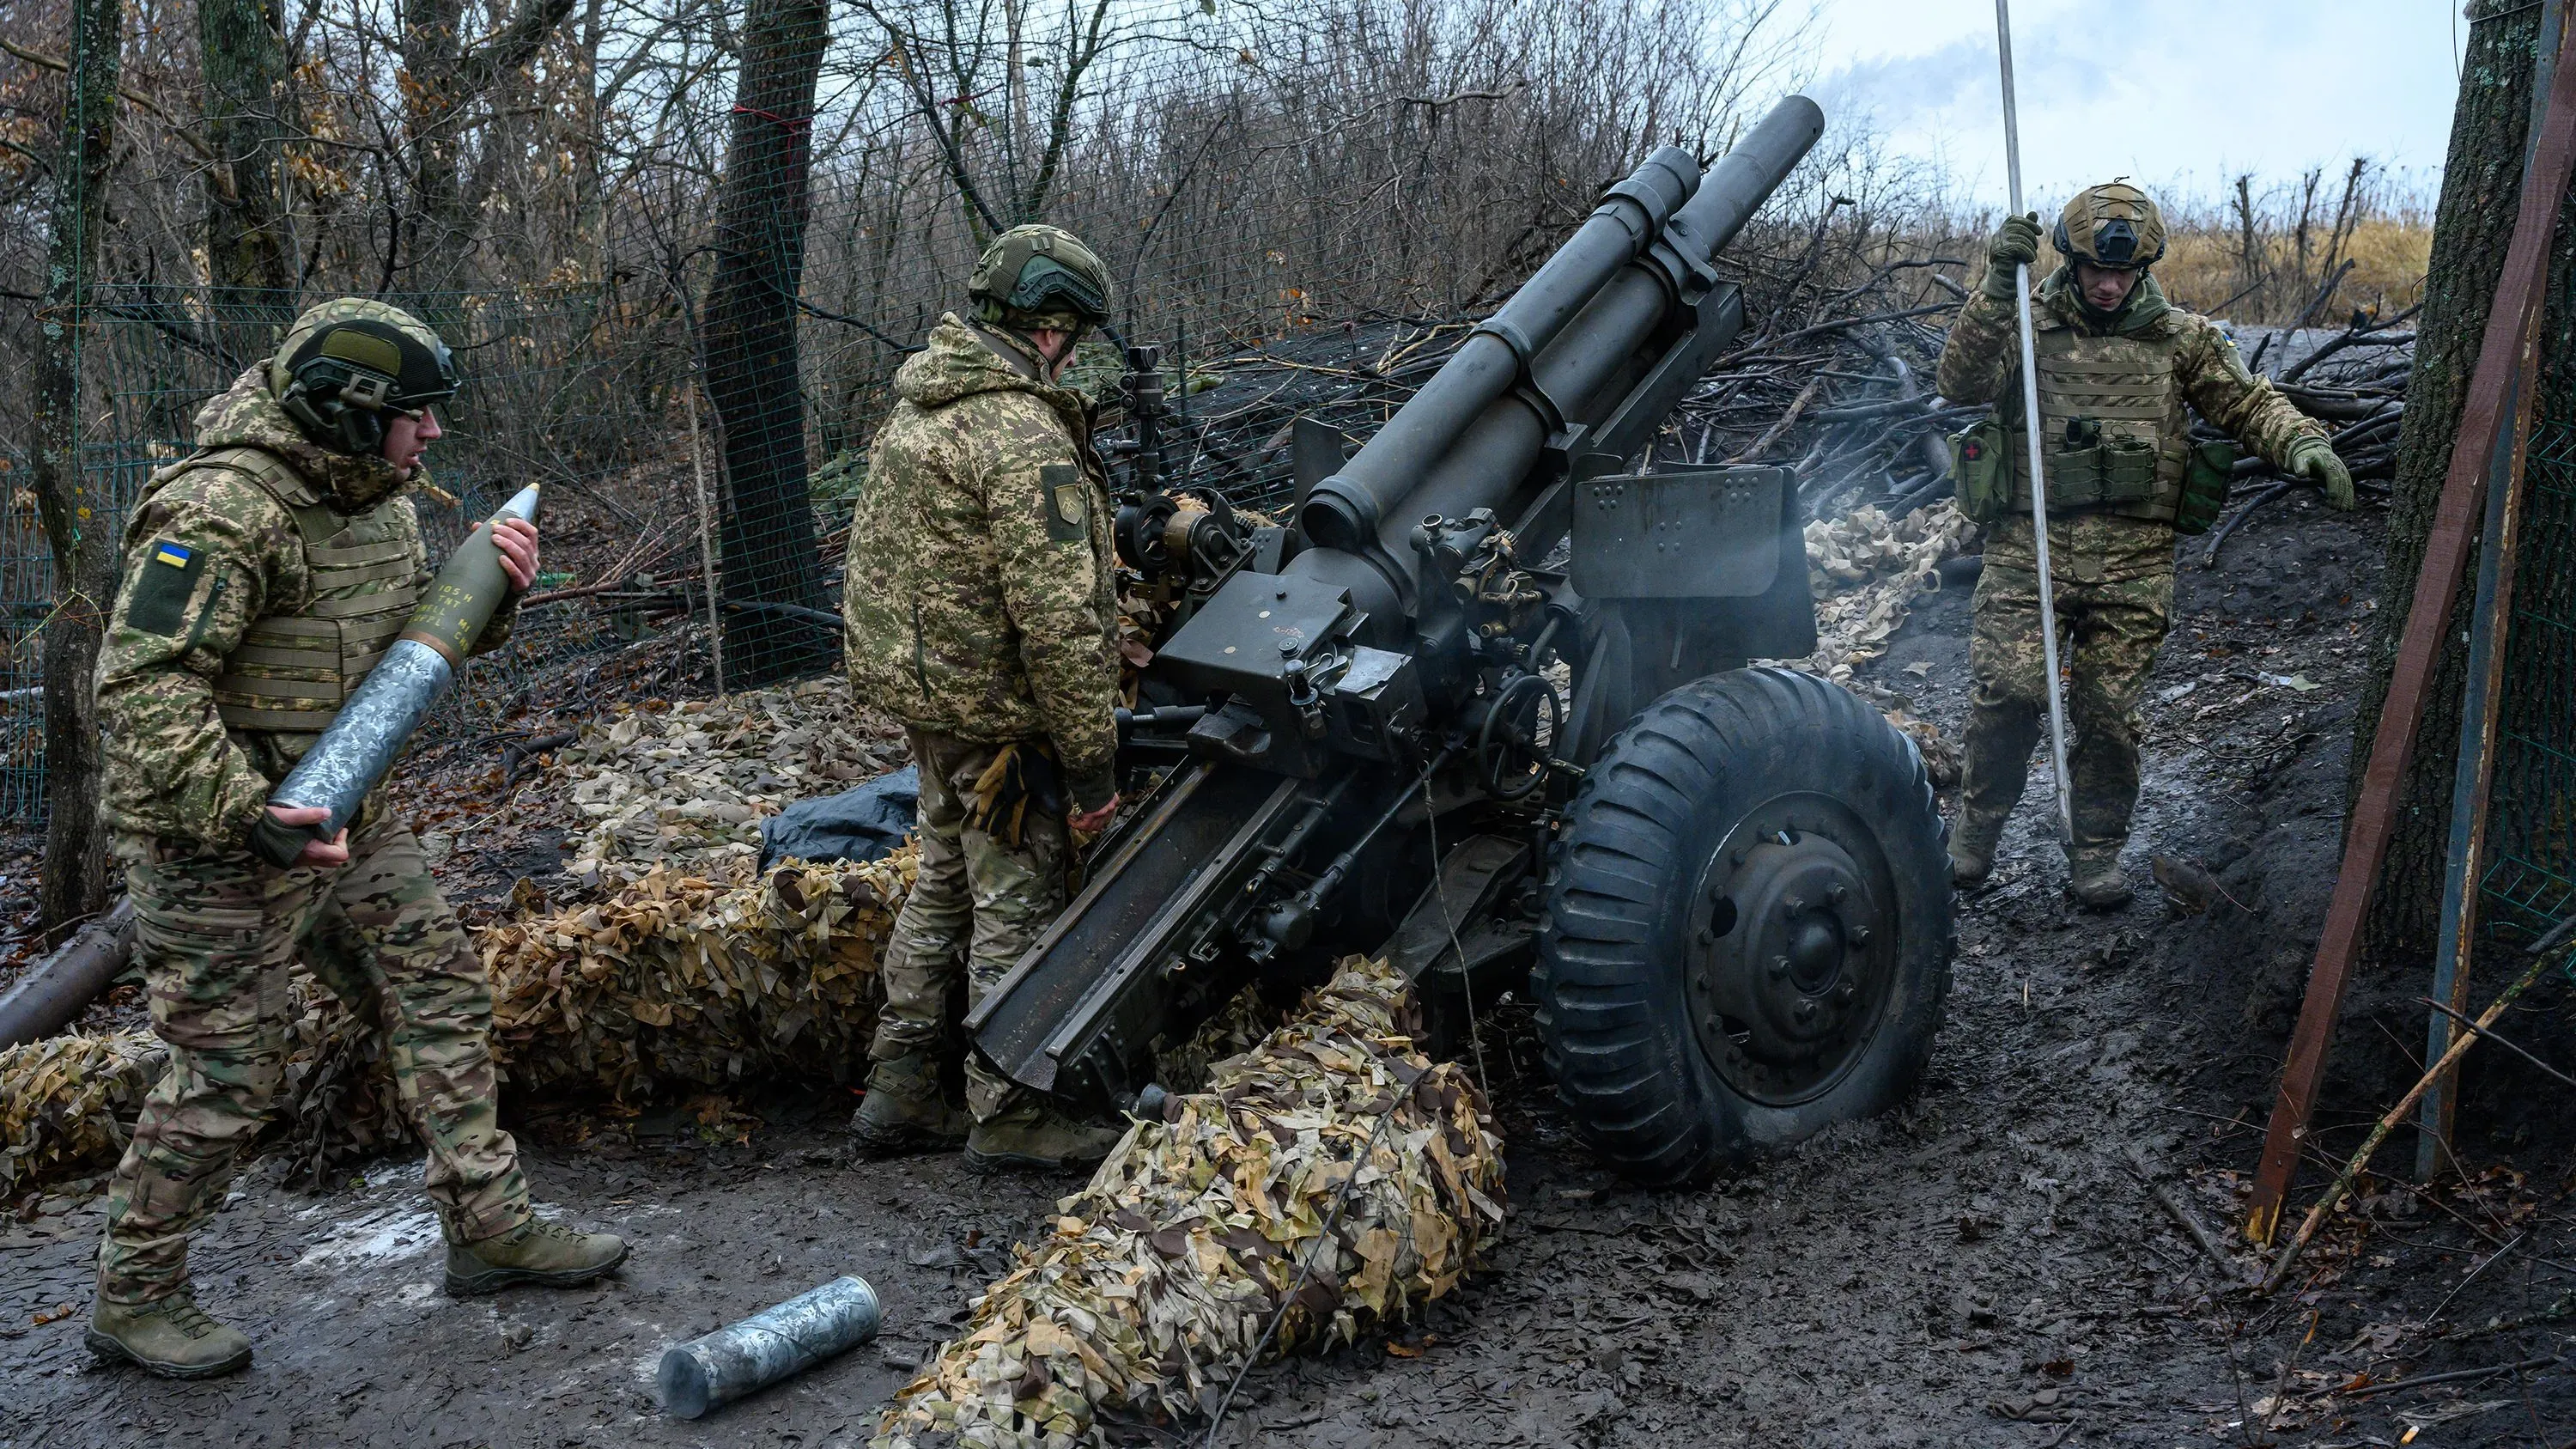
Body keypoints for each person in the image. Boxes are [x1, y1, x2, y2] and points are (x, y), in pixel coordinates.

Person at [86, 299, 627, 1379]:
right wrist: (247, 813)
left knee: (437, 990)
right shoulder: (223, 508)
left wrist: (495, 597)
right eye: (414, 417)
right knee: (232, 1072)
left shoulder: (377, 498)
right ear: (347, 410)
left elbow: (401, 651)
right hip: (217, 843)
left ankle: (490, 1228)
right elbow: (140, 690)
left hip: (347, 811)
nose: (431, 438)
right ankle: (132, 1294)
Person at [1937, 183, 2353, 908]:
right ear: (2069, 259)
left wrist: (2305, 445)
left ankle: (2096, 851)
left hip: (2133, 556)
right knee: (2011, 691)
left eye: (2122, 272)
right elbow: (1960, 379)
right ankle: (1975, 829)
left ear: (2145, 269)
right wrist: (1996, 288)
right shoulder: (2028, 326)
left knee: (2107, 712)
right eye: (2095, 268)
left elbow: (2249, 401)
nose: (2107, 284)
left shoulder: (2178, 338)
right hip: (2029, 545)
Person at [841, 225, 1127, 1172]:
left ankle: (901, 1086)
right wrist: (1092, 770)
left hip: (932, 709)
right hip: (1001, 719)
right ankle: (1009, 1108)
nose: (1074, 352)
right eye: (1073, 334)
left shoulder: (922, 407)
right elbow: (1058, 624)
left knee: (943, 886)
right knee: (1017, 898)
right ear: (1048, 328)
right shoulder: (1019, 435)